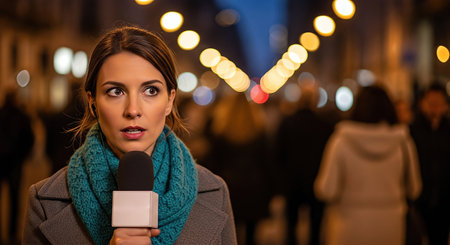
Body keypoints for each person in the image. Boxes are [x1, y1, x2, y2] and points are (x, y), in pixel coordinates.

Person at [23, 26, 237, 245]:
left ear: (170, 101)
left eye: (151, 90)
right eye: (116, 91)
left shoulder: (214, 192)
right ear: (92, 102)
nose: (133, 109)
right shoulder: (44, 201)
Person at [314, 85, 422, 245]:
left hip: (348, 226)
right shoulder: (403, 142)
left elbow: (326, 190)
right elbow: (414, 189)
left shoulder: (341, 141)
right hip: (391, 226)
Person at [204, 92, 271, 245]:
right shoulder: (259, 130)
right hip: (255, 187)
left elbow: (213, 164)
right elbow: (266, 162)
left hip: (229, 186)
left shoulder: (220, 131)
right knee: (252, 233)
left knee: (230, 233)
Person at [275, 81, 333, 245]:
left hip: (292, 182)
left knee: (291, 226)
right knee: (316, 226)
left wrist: (281, 180)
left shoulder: (287, 123)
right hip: (316, 181)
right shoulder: (325, 125)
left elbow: (278, 154)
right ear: (316, 101)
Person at [410, 82, 450, 245]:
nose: (435, 108)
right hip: (419, 199)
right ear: (422, 104)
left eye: (439, 103)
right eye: (431, 103)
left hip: (444, 198)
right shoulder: (411, 130)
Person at [0, 89, 34, 244]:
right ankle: (13, 233)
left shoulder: (1, 114)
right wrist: (23, 155)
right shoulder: (21, 116)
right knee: (15, 199)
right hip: (15, 163)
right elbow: (29, 138)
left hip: (2, 162)